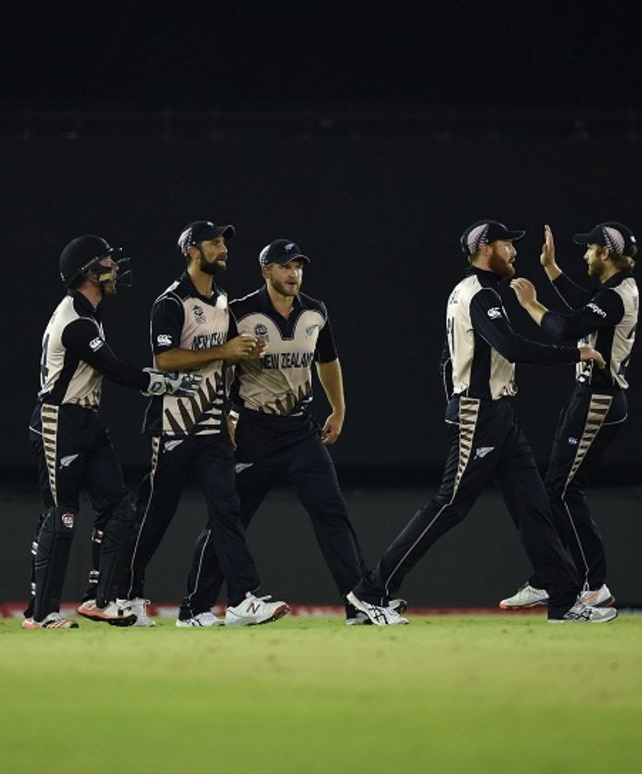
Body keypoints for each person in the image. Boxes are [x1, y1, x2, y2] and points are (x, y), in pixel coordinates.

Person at [346, 219, 618, 625]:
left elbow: (445, 359)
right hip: (482, 414)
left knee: (534, 506)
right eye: (508, 244)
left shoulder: (472, 291)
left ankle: (563, 600)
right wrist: (573, 354)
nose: (514, 252)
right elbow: (509, 345)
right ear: (486, 248)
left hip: (499, 415)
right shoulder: (480, 294)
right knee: (449, 505)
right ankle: (370, 592)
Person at [177, 238, 379, 626]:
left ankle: (359, 603)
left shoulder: (315, 311)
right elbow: (217, 369)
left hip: (301, 431)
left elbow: (328, 360)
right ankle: (194, 607)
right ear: (266, 270)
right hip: (254, 429)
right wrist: (225, 418)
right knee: (228, 518)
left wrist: (338, 408)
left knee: (331, 512)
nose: (294, 273)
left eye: (298, 266)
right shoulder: (237, 313)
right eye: (286, 266)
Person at [112, 221, 290, 627]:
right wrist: (225, 350)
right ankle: (127, 596)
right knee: (156, 516)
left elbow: (223, 360)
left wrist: (243, 358)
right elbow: (164, 360)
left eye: (225, 241)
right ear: (192, 250)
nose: (223, 248)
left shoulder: (223, 299)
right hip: (173, 426)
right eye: (214, 243)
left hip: (212, 427)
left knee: (228, 509)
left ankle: (242, 598)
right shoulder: (171, 302)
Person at [25, 234, 199, 629]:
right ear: (87, 273)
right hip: (59, 421)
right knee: (62, 514)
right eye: (105, 263)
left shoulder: (88, 311)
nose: (115, 269)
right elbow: (116, 370)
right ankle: (43, 613)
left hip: (85, 421)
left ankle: (98, 600)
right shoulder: (77, 321)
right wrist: (164, 383)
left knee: (118, 507)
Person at [499, 222, 639, 610]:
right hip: (590, 396)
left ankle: (592, 582)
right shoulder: (615, 290)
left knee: (560, 490)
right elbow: (584, 305)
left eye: (590, 248)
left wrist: (530, 303)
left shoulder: (614, 297)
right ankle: (554, 576)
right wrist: (551, 269)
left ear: (606, 254)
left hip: (599, 398)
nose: (585, 255)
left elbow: (566, 327)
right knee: (558, 488)